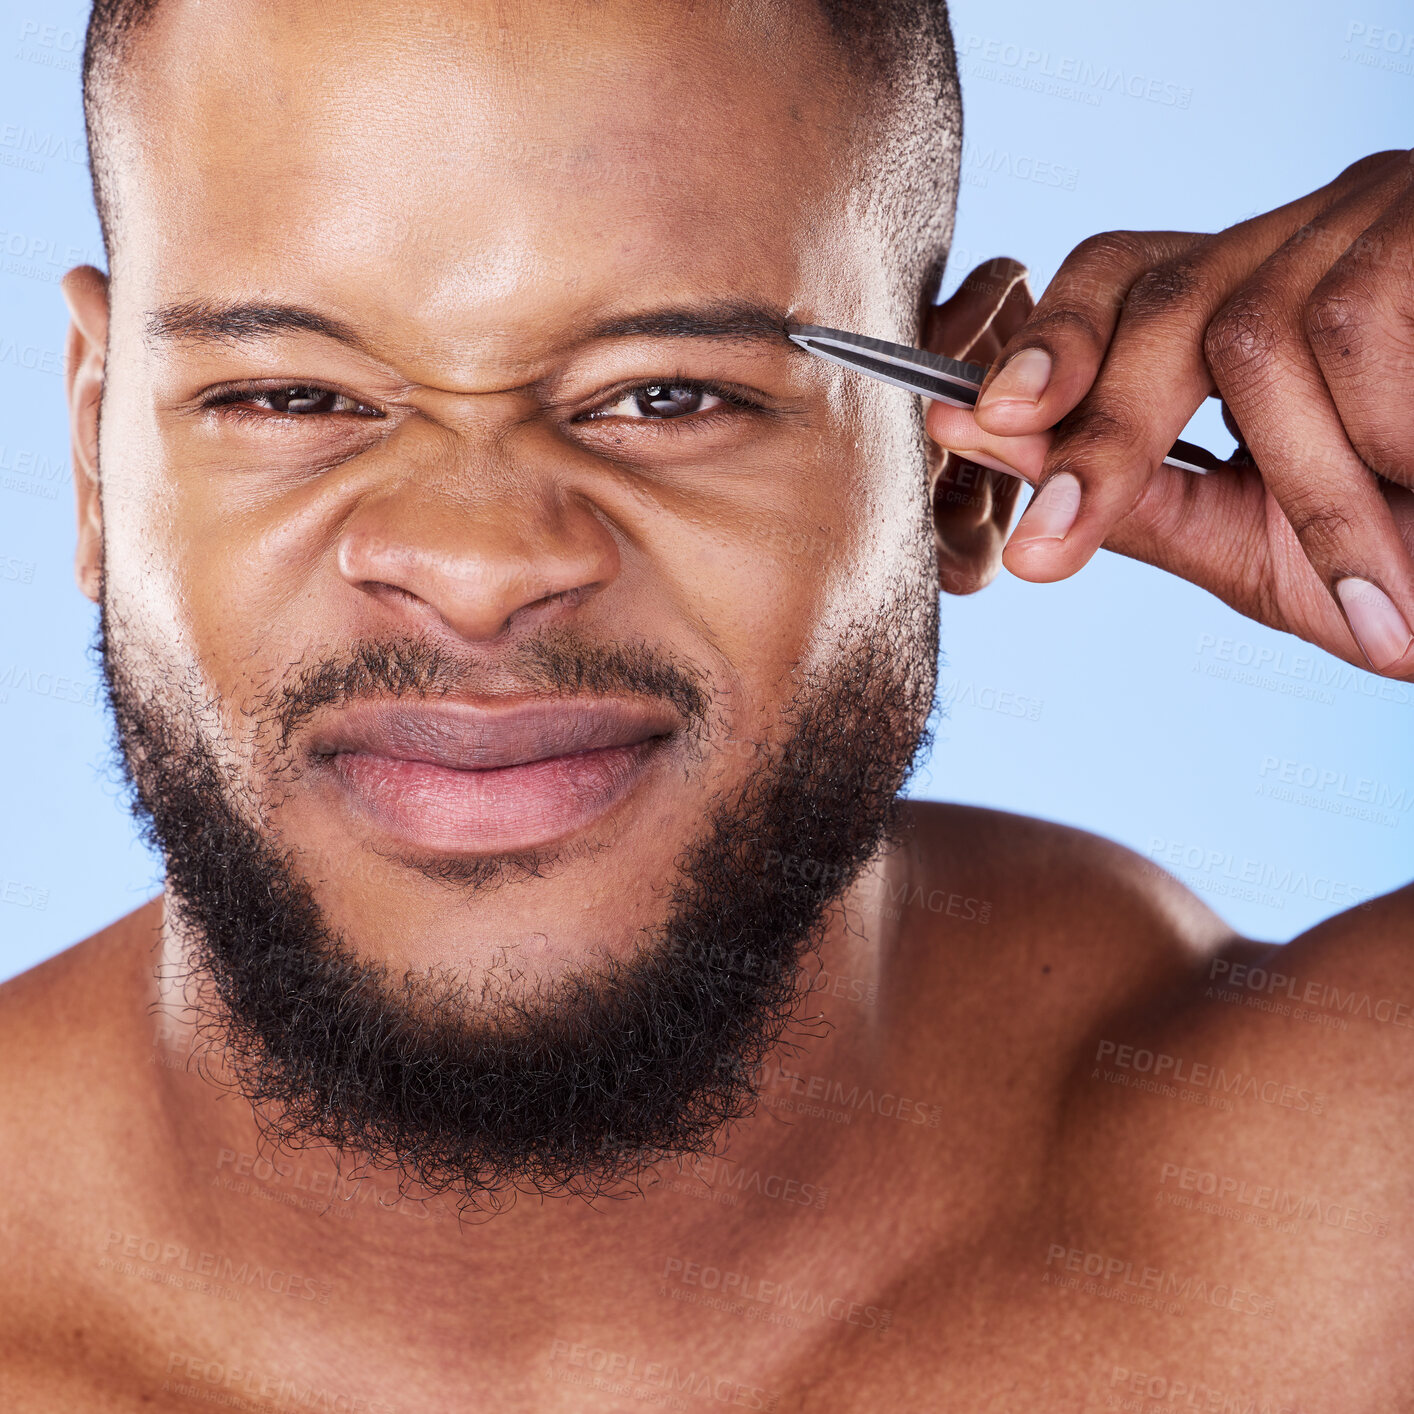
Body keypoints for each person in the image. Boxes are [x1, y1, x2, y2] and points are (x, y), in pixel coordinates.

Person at [2, 0, 1410, 1407]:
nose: (482, 569)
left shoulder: (1354, 1251)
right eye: (292, 397)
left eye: (668, 394)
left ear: (960, 473)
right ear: (94, 453)